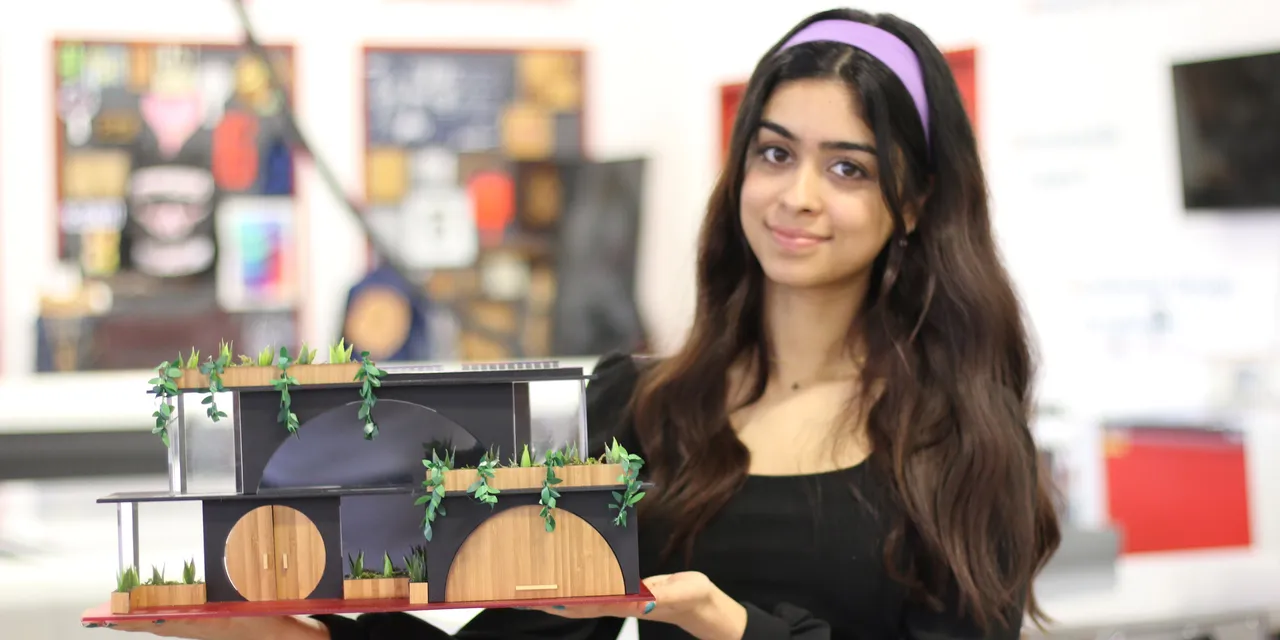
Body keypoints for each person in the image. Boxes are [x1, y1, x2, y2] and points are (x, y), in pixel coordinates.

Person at [102, 7, 1061, 639]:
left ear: (914, 201)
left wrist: (740, 632)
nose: (798, 195)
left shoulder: (962, 443)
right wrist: (299, 632)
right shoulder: (640, 409)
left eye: (847, 167)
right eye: (775, 153)